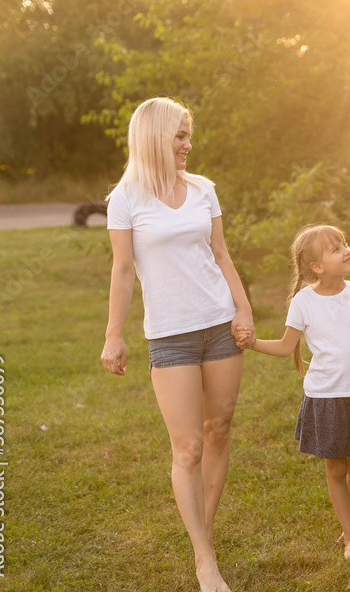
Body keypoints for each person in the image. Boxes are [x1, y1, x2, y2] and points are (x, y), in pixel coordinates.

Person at [100, 97, 251, 592]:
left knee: (219, 428)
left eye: (189, 135)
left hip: (219, 324)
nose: (188, 144)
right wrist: (113, 334)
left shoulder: (203, 189)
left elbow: (221, 254)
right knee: (187, 446)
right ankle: (204, 561)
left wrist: (244, 308)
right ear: (153, 137)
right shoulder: (125, 198)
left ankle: (202, 534)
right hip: (169, 336)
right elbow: (123, 270)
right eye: (180, 136)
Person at [234, 224, 350, 560]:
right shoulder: (303, 302)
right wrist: (252, 344)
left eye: (344, 244)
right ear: (317, 267)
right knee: (336, 469)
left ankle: (348, 522)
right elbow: (284, 347)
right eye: (336, 249)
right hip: (325, 398)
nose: (347, 250)